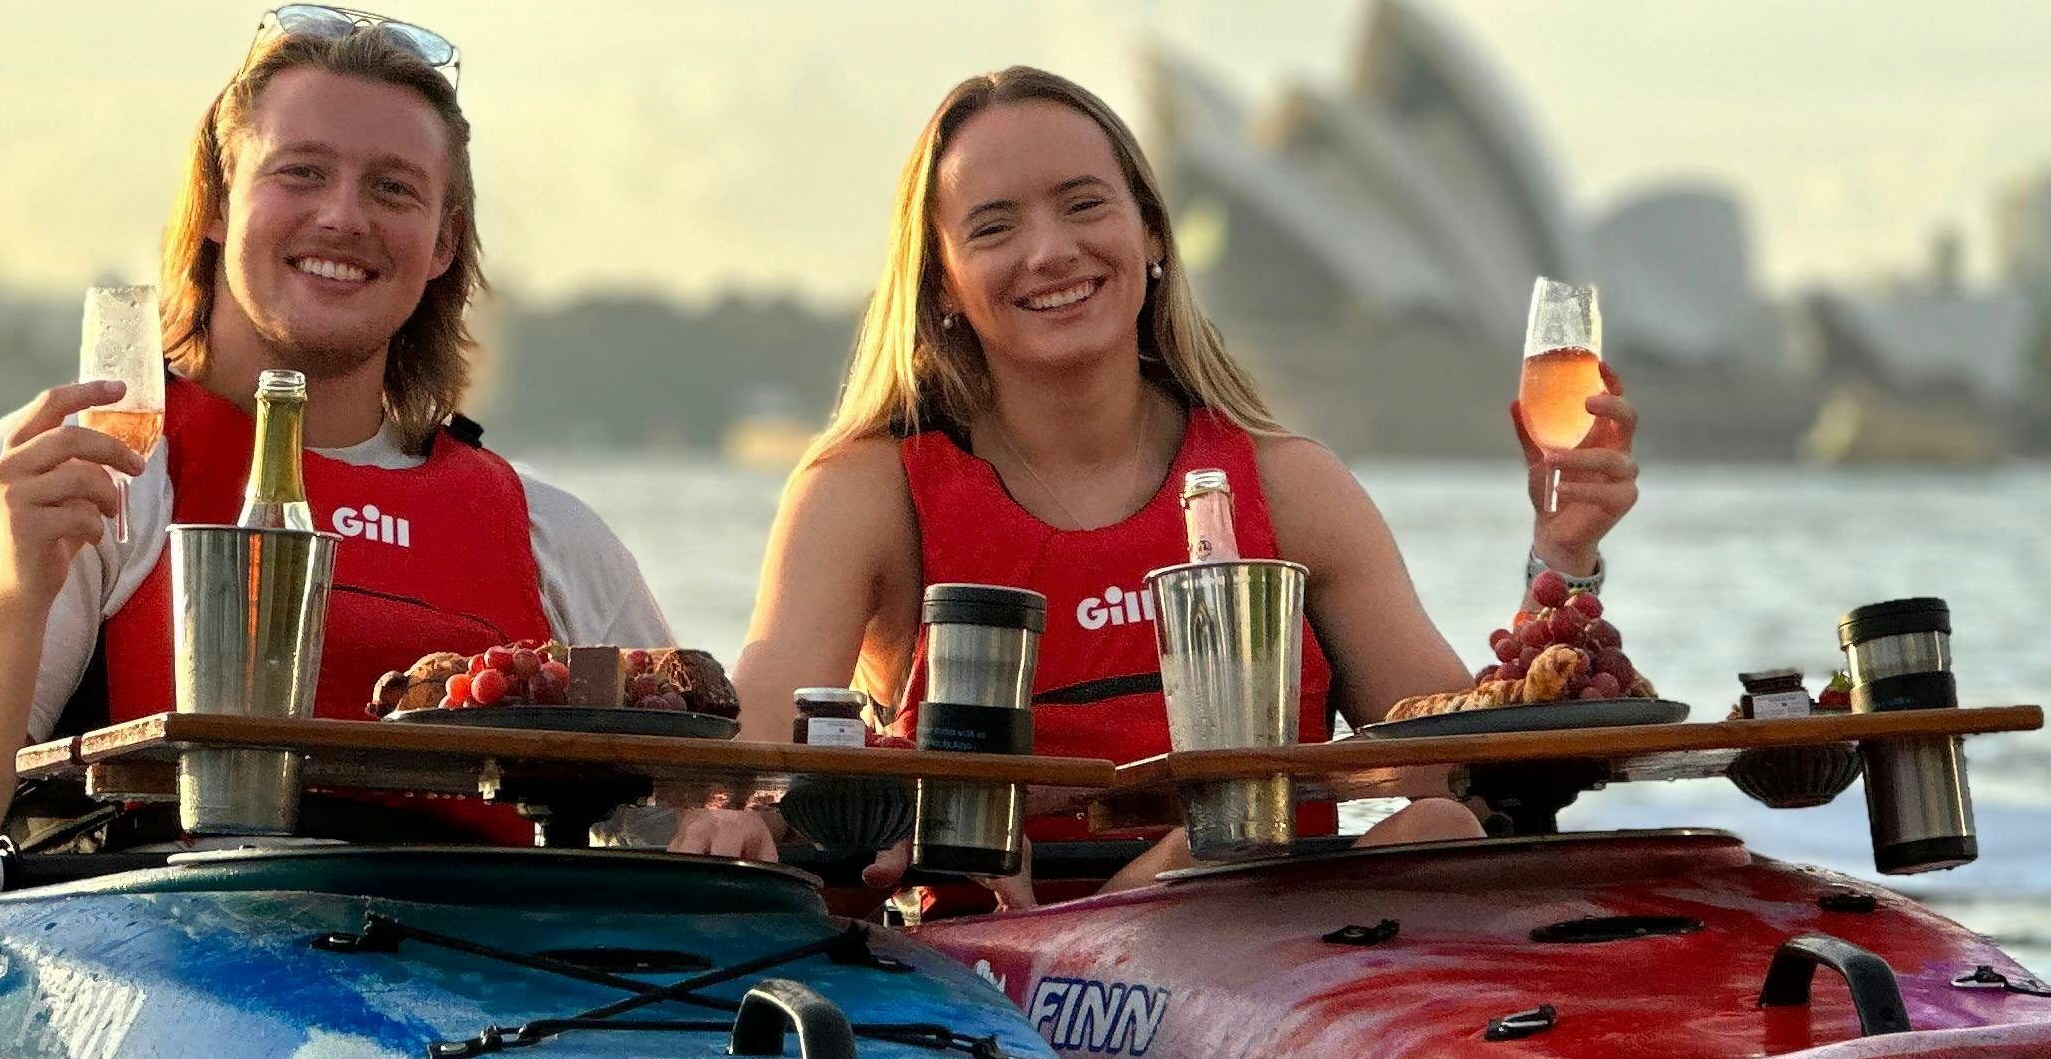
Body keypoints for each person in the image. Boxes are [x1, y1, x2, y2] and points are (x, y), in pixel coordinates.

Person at [672, 63, 1635, 881]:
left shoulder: (1292, 487)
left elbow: (1459, 764)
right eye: (995, 227)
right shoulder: (863, 492)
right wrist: (732, 818)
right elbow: (749, 768)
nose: (1052, 252)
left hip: (1278, 955)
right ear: (944, 286)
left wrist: (1563, 560)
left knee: (1441, 830)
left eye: (1085, 205)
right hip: (996, 970)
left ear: (1153, 239)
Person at [0, 8, 678, 849]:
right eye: (302, 173)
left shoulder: (553, 538)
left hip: (481, 963)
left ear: (442, 243)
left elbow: (695, 824)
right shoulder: (79, 479)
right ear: (217, 205)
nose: (344, 218)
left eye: (393, 188)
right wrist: (16, 589)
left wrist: (721, 826)